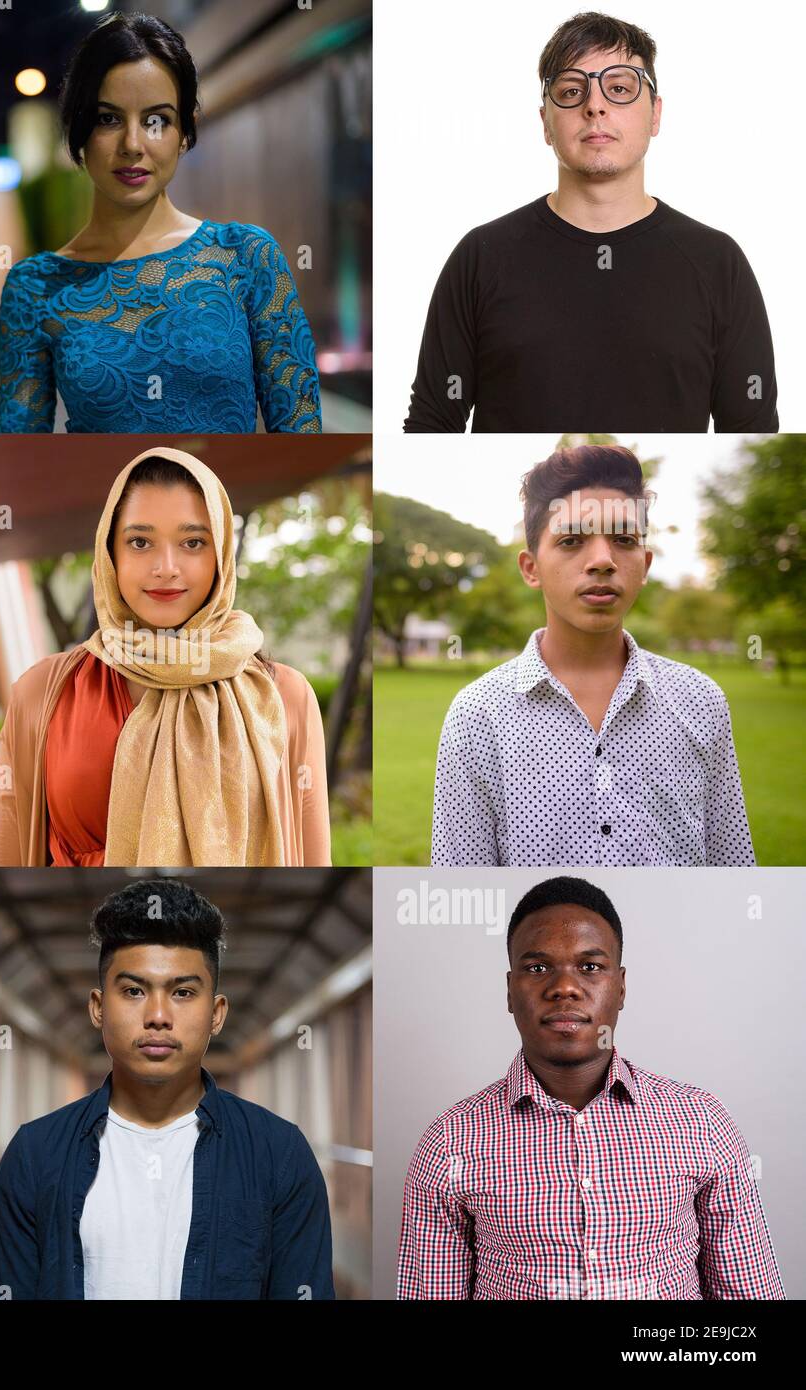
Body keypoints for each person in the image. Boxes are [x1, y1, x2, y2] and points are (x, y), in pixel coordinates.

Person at [397, 876, 784, 1300]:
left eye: (590, 966)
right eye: (538, 967)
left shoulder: (702, 1123)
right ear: (510, 991)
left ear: (620, 987)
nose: (564, 987)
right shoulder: (450, 1140)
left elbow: (750, 1293)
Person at [403, 11, 776, 432]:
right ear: (545, 121)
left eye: (619, 88)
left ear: (655, 114)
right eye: (571, 90)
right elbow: (431, 424)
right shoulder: (481, 257)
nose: (595, 106)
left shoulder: (717, 262)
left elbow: (750, 428)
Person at [0, 878, 335, 1299]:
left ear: (217, 1014)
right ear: (98, 1008)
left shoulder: (279, 1154)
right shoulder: (35, 1154)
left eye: (183, 992)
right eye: (133, 991)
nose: (158, 1015)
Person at [0, 446, 331, 866]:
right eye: (140, 542)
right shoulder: (41, 693)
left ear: (221, 555)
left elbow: (311, 858)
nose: (166, 567)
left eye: (192, 542)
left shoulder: (284, 697)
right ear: (109, 553)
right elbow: (8, 856)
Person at [0, 11, 321, 434]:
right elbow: (21, 458)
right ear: (79, 130)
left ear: (184, 132)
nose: (133, 144)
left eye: (156, 121)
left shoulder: (245, 256)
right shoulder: (35, 288)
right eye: (108, 118)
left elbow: (299, 436)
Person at [432, 444, 754, 866]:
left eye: (623, 539)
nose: (602, 560)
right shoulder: (477, 716)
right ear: (531, 568)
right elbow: (462, 887)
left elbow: (734, 870)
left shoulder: (701, 700)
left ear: (645, 563)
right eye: (571, 540)